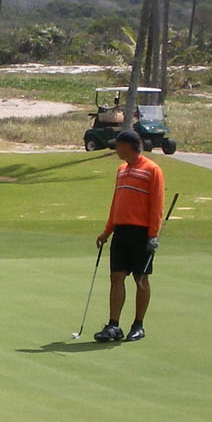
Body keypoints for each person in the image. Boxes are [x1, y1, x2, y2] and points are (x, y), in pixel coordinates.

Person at [92, 130, 164, 343]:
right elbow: (116, 203)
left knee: (140, 279)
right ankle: (113, 325)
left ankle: (138, 325)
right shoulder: (121, 170)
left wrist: (153, 235)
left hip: (141, 232)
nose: (115, 149)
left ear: (128, 146)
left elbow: (157, 206)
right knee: (116, 277)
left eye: (118, 145)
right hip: (121, 231)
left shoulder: (152, 170)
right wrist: (107, 231)